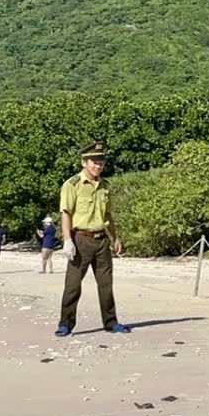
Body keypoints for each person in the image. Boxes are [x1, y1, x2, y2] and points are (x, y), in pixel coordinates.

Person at [56, 141, 129, 337]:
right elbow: (65, 213)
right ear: (84, 162)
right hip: (81, 239)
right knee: (73, 285)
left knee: (106, 285)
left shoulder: (105, 186)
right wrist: (67, 240)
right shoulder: (72, 185)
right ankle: (65, 324)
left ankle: (111, 322)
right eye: (94, 162)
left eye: (101, 162)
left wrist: (116, 237)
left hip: (102, 240)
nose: (99, 165)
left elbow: (108, 215)